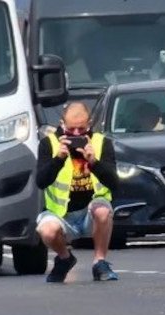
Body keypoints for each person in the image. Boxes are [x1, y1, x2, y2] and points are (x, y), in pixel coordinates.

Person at [35, 102, 120, 283]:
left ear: (89, 124)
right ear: (62, 124)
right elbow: (41, 182)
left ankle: (100, 262)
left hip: (91, 212)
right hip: (61, 213)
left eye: (81, 129)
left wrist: (94, 162)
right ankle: (64, 258)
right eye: (71, 129)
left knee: (102, 210)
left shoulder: (101, 143)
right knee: (46, 230)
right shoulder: (49, 144)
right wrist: (59, 159)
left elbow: (115, 183)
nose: (75, 134)